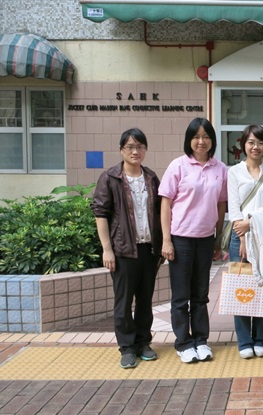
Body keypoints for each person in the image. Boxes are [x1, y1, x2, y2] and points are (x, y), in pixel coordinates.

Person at [91, 128, 163, 369]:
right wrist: (106, 249)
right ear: (121, 149)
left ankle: (143, 342)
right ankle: (127, 347)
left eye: (140, 147)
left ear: (145, 150)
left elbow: (160, 212)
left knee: (145, 301)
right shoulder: (110, 178)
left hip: (148, 250)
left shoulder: (151, 177)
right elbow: (101, 213)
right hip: (122, 251)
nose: (135, 151)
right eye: (130, 147)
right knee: (123, 302)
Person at [159, 117, 228, 364]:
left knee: (201, 294)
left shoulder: (220, 169)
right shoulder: (178, 166)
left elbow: (221, 205)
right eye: (197, 136)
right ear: (189, 140)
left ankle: (201, 340)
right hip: (180, 239)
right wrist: (166, 240)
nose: (201, 141)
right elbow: (165, 204)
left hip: (205, 239)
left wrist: (218, 239)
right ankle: (183, 342)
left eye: (206, 136)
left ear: (212, 140)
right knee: (180, 296)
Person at [227, 125, 263, 359]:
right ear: (244, 145)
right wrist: (242, 237)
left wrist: (251, 223)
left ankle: (260, 338)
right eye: (251, 142)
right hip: (238, 234)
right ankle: (244, 341)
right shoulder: (234, 172)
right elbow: (233, 208)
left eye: (260, 142)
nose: (255, 147)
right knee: (241, 289)